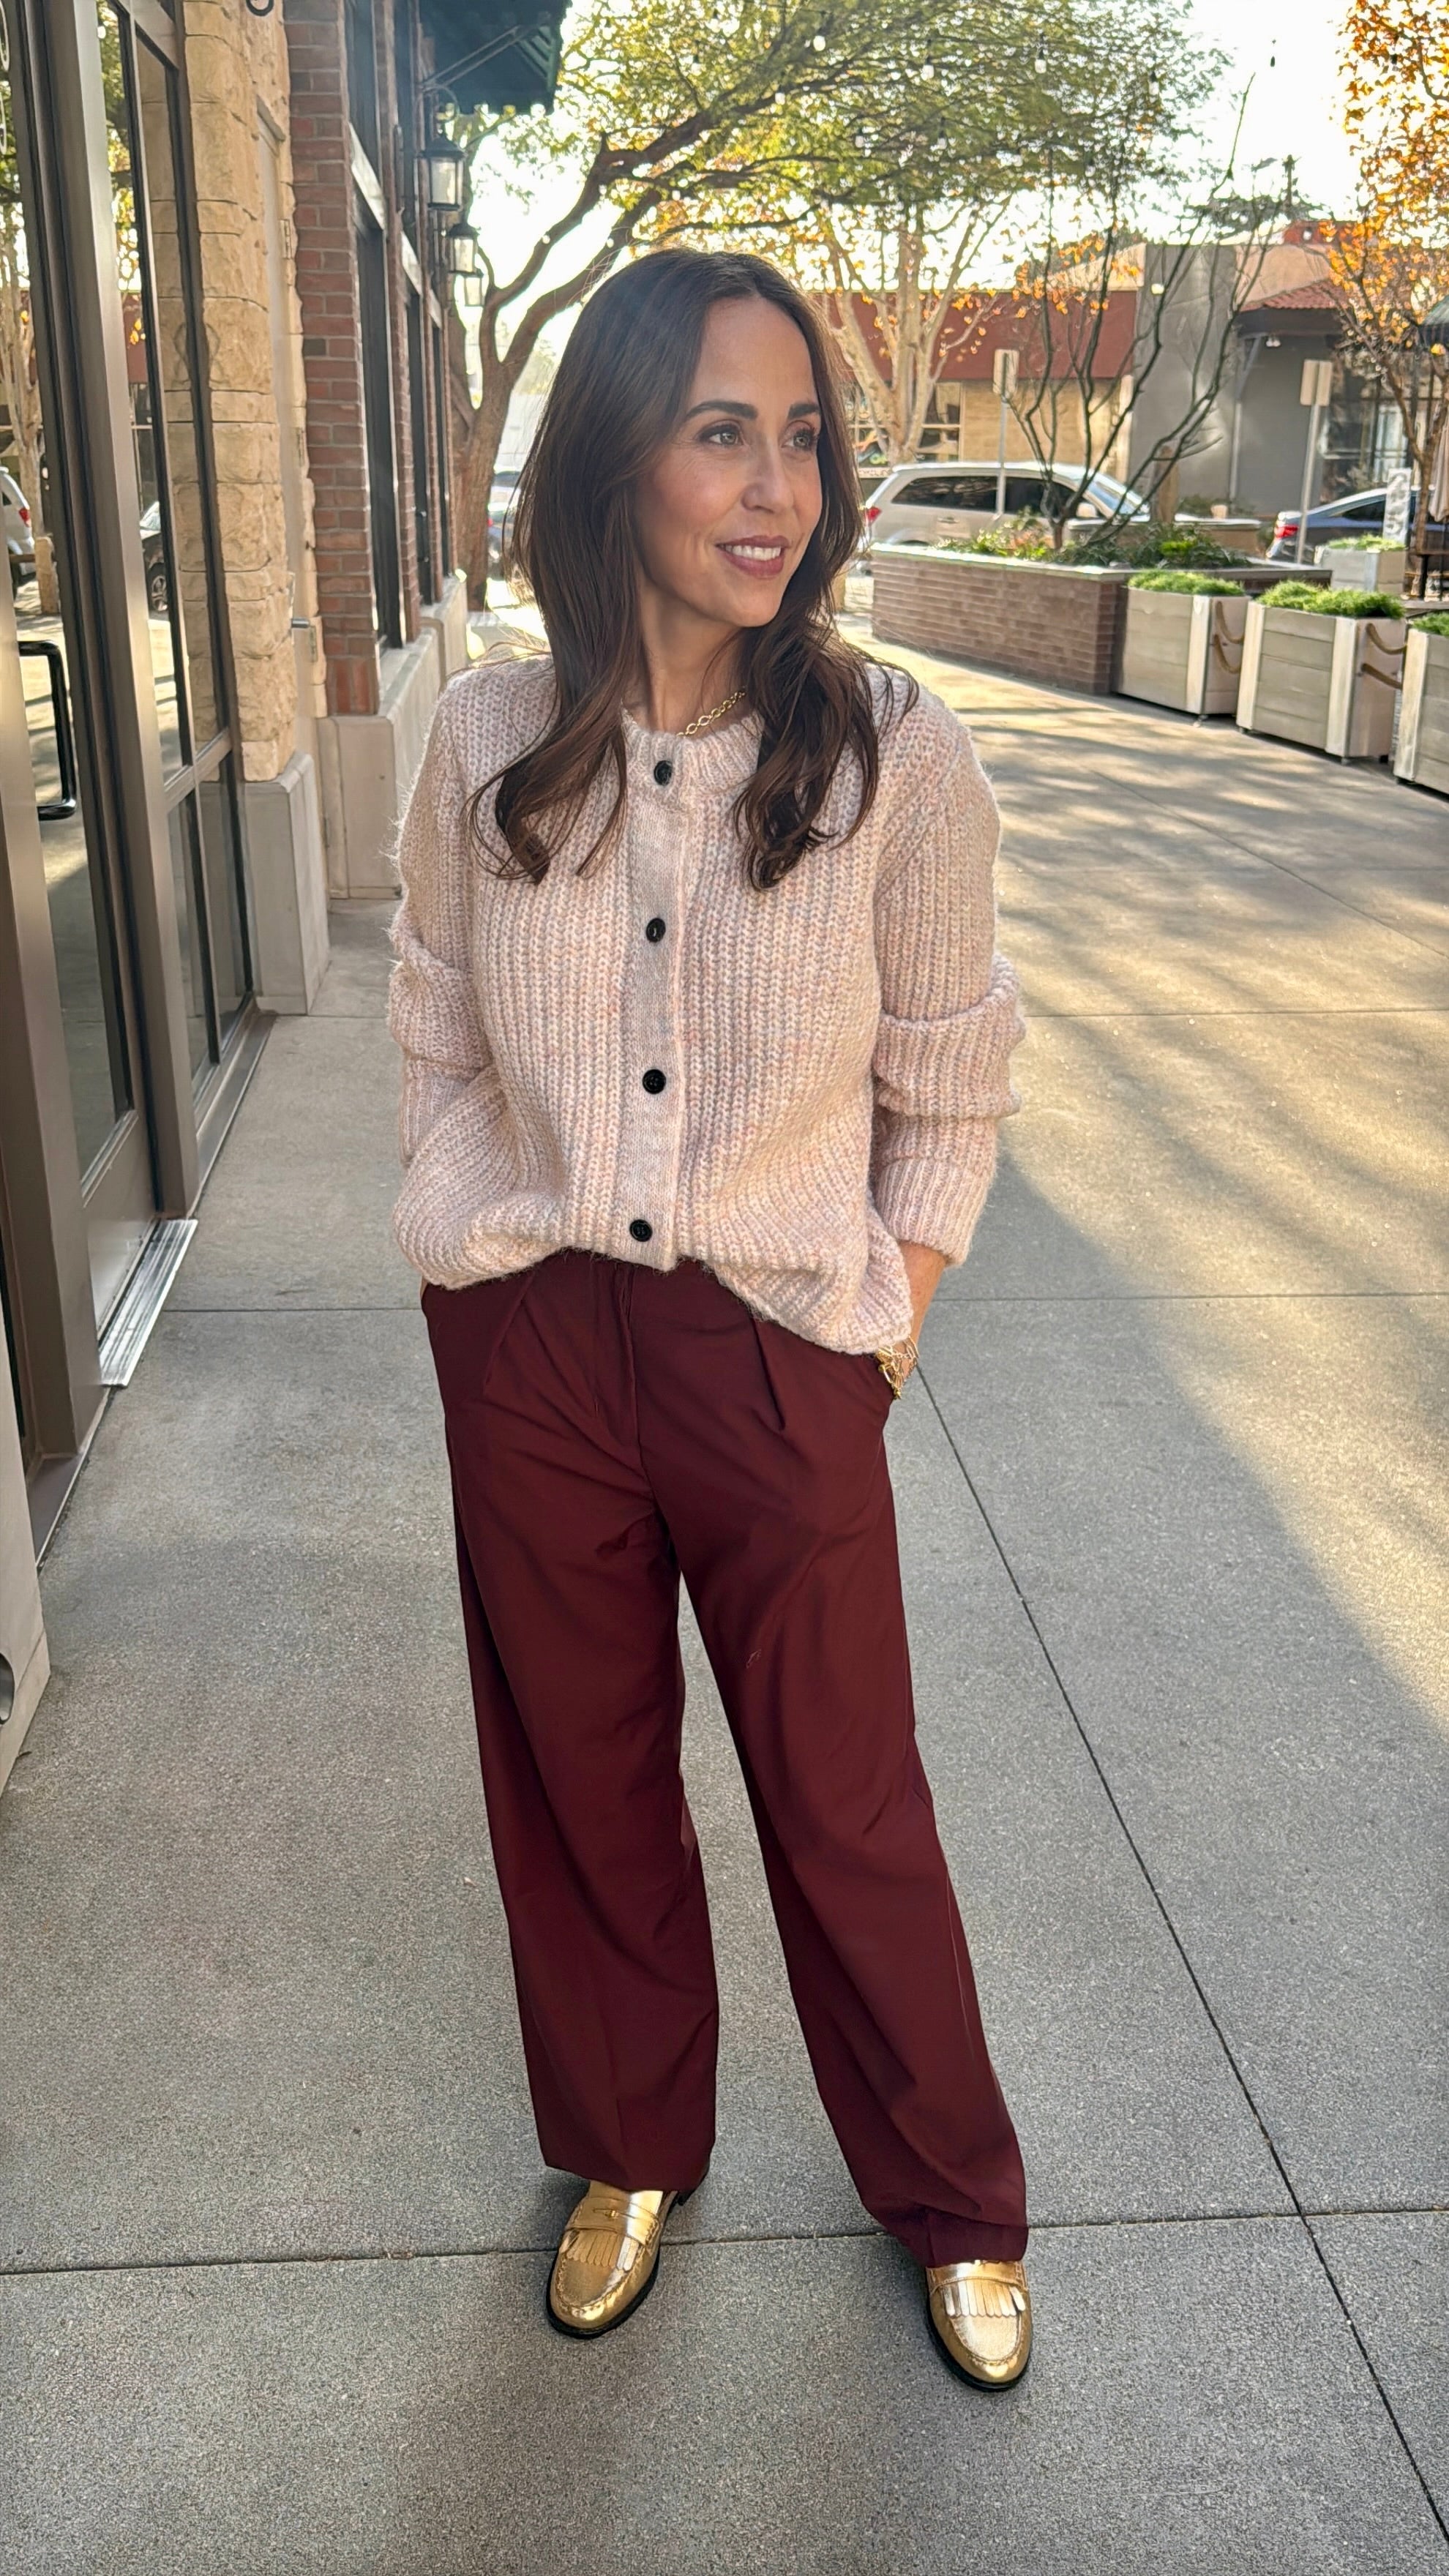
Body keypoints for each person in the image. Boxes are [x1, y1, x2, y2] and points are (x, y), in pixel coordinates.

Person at [387, 248, 1030, 2389]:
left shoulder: (886, 755)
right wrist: (464, 1246)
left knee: (846, 1796)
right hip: (537, 1339)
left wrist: (888, 1311)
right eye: (719, 429)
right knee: (576, 1777)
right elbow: (432, 1031)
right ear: (613, 458)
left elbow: (948, 1064)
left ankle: (949, 2195)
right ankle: (628, 2145)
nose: (777, 485)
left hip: (778, 1345)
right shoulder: (490, 741)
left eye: (804, 433)